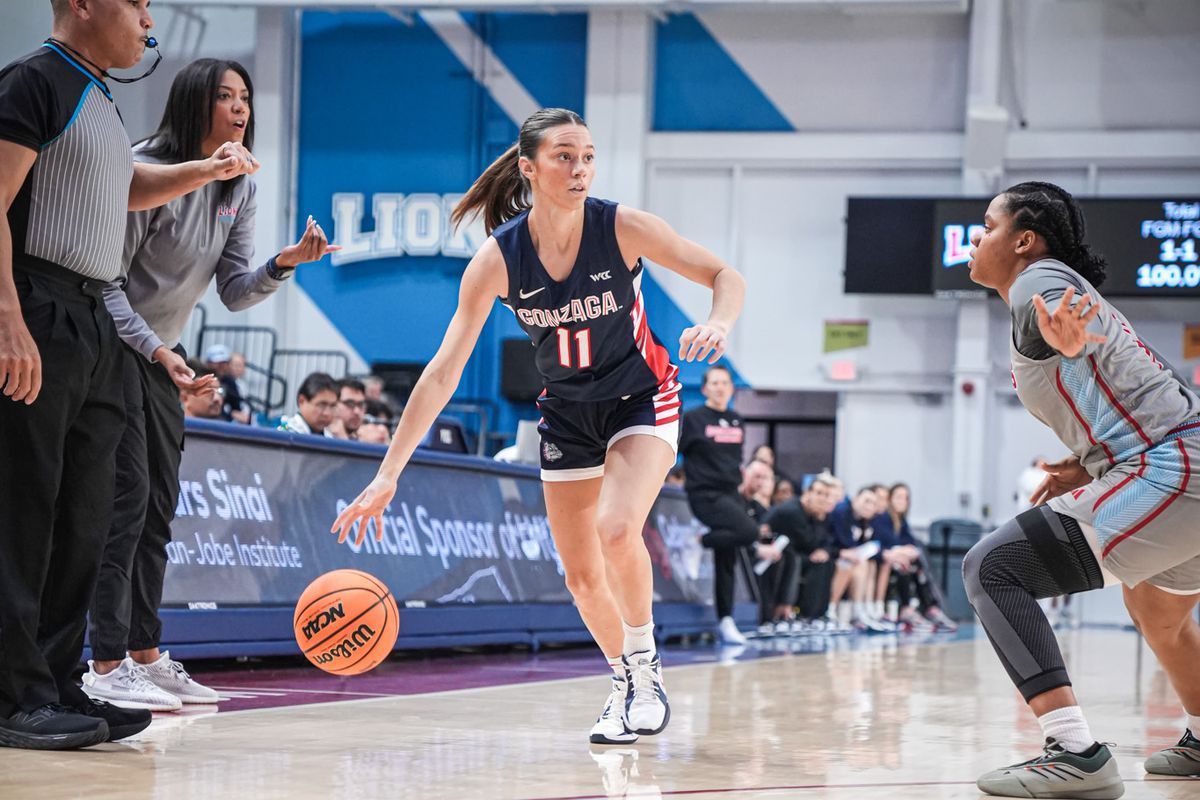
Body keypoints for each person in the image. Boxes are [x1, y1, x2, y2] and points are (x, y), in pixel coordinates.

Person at [331, 108, 745, 746]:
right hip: (567, 413)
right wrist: (389, 473)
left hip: (643, 397)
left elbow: (725, 274)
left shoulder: (623, 227)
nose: (580, 168)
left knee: (615, 528)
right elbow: (441, 375)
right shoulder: (497, 262)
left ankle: (645, 667)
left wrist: (718, 321)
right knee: (579, 577)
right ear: (529, 168)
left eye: (587, 156)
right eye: (564, 157)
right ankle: (623, 683)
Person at [0, 0, 259, 750]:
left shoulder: (103, 100)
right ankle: (15, 696)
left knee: (88, 515)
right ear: (82, 4)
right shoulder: (32, 84)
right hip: (39, 303)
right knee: (28, 510)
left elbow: (126, 193)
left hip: (93, 318)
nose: (149, 17)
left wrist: (202, 171)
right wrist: (8, 319)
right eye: (137, 2)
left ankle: (55, 683)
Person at [82, 56, 338, 714]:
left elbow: (233, 291)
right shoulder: (147, 168)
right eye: (226, 96)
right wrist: (156, 348)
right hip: (112, 349)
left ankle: (144, 655)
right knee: (127, 503)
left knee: (159, 509)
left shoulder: (239, 188)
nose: (240, 107)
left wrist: (284, 263)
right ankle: (104, 661)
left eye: (245, 96)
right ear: (197, 103)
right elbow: (103, 282)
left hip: (165, 356)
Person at [961, 182, 1200, 798]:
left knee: (993, 568)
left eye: (986, 225)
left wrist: (1059, 338)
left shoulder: (1037, 281)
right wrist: (1091, 460)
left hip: (1178, 467)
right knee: (1155, 608)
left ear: (1023, 238)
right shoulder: (1044, 286)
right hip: (1170, 458)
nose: (975, 236)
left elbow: (1057, 321)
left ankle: (1076, 753)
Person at [679, 366, 779, 646]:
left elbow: (733, 461)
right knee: (748, 532)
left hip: (731, 494)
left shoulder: (736, 420)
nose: (720, 387)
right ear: (705, 389)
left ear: (731, 388)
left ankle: (726, 620)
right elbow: (674, 451)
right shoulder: (693, 419)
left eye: (725, 383)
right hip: (705, 495)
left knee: (728, 558)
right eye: (715, 383)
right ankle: (699, 540)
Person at [280, 372, 340, 437]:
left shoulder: (331, 436)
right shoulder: (286, 433)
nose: (327, 413)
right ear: (301, 401)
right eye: (322, 405)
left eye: (332, 406)